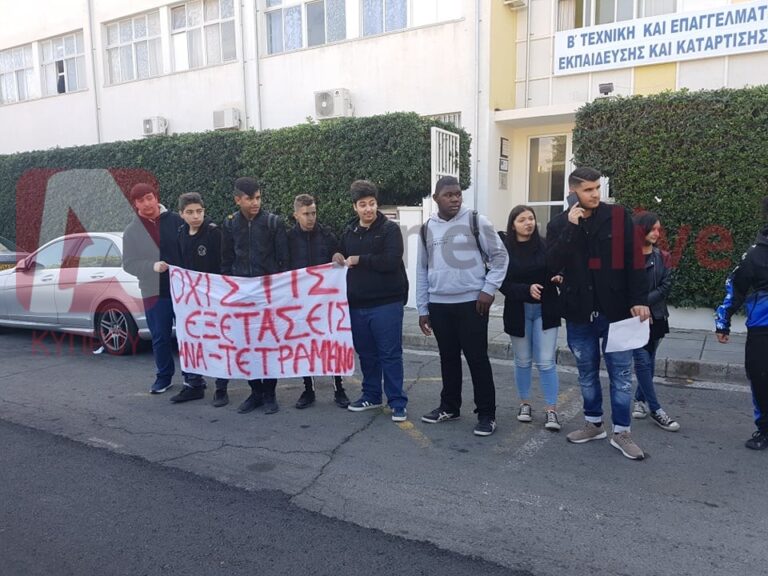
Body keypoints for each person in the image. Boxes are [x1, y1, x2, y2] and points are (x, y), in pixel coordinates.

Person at [546, 167, 650, 460]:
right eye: (588, 190)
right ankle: (594, 424)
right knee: (586, 373)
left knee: (621, 375)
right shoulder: (558, 225)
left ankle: (622, 432)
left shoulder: (617, 216)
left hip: (616, 311)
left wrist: (639, 299)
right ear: (573, 192)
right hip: (578, 312)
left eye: (597, 188)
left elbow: (634, 260)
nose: (595, 194)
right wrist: (571, 228)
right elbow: (551, 264)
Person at [416, 176, 509, 436]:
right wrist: (423, 308)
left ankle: (487, 414)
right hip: (439, 304)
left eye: (458, 194)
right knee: (448, 359)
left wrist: (489, 289)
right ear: (436, 198)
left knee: (477, 359)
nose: (455, 199)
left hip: (472, 304)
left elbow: (500, 257)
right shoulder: (426, 229)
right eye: (448, 195)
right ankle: (450, 406)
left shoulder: (477, 221)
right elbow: (422, 269)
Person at [332, 180, 409, 422]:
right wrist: (337, 255)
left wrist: (359, 259)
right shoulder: (349, 231)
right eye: (363, 204)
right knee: (366, 354)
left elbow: (390, 260)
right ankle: (371, 395)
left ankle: (397, 402)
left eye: (372, 203)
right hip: (357, 305)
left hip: (387, 303)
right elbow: (340, 252)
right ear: (355, 207)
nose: (368, 209)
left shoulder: (389, 230)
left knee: (390, 354)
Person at [219, 177, 289, 414]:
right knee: (246, 344)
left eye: (258, 198)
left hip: (268, 295)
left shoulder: (273, 222)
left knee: (268, 345)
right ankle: (255, 392)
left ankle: (270, 394)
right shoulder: (229, 225)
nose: (255, 203)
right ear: (237, 200)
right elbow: (226, 259)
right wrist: (229, 288)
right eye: (250, 199)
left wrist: (279, 291)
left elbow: (283, 260)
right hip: (241, 295)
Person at [500, 205, 561, 431]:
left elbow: (560, 267)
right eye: (522, 220)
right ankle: (524, 404)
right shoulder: (504, 250)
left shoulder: (546, 245)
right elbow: (502, 283)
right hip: (518, 311)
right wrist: (526, 290)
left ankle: (551, 409)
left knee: (546, 361)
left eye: (531, 218)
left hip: (546, 309)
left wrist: (559, 276)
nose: (528, 223)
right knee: (523, 360)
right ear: (512, 225)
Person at [122, 182, 187, 395]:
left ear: (156, 197)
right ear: (135, 204)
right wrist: (151, 266)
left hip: (182, 289)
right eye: (141, 201)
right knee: (160, 336)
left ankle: (192, 377)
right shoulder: (132, 231)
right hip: (153, 291)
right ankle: (163, 377)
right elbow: (128, 264)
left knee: (187, 334)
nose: (147, 204)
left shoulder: (177, 221)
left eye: (149, 198)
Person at [287, 193, 350, 409]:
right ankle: (308, 389)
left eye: (313, 213)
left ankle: (339, 388)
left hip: (326, 302)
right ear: (296, 215)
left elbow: (339, 253)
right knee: (305, 345)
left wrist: (337, 255)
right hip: (301, 301)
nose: (311, 218)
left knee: (332, 342)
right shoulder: (288, 238)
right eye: (306, 214)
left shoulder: (327, 234)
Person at [715, 196, 768, 451]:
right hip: (762, 329)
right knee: (760, 379)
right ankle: (764, 430)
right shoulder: (755, 254)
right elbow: (735, 287)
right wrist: (722, 322)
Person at [168, 192, 224, 405]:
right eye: (190, 212)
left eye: (199, 211)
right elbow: (180, 264)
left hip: (214, 298)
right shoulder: (181, 234)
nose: (196, 216)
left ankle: (221, 387)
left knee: (218, 341)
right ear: (181, 214)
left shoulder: (214, 233)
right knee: (191, 339)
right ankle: (193, 384)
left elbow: (223, 264)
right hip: (190, 300)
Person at [630, 211, 680, 431]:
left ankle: (639, 400)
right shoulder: (627, 257)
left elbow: (666, 286)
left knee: (649, 361)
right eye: (652, 229)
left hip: (657, 317)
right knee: (642, 361)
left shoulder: (664, 257)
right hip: (633, 318)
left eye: (658, 229)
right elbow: (622, 286)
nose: (657, 233)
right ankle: (656, 409)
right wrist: (638, 306)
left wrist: (644, 303)